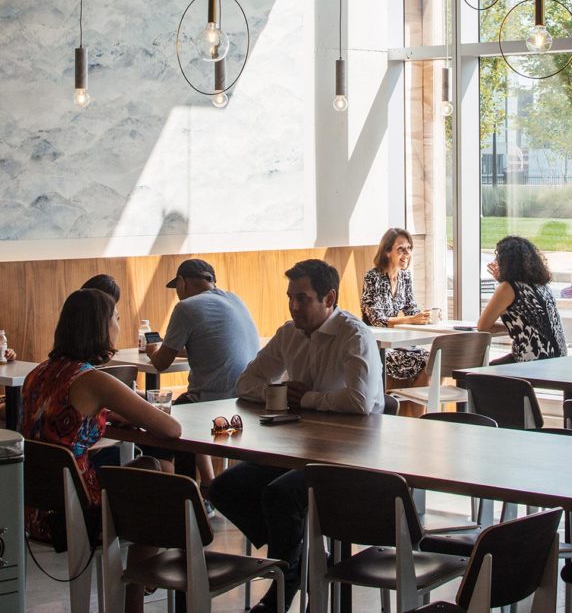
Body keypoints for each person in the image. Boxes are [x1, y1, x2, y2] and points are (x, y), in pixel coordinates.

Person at [208, 258, 383, 613]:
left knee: (280, 496)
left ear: (329, 298)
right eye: (290, 298)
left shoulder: (354, 334)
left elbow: (361, 402)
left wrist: (305, 399)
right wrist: (282, 389)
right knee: (223, 487)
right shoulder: (288, 334)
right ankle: (303, 558)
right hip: (298, 448)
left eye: (302, 298)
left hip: (351, 454)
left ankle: (279, 594)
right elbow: (245, 383)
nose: (294, 306)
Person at [20, 288, 181, 613]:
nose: (119, 325)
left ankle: (135, 592)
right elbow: (170, 429)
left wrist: (108, 414)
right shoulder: (92, 380)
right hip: (76, 513)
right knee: (152, 476)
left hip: (34, 510)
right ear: (100, 327)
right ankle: (135, 596)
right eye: (116, 318)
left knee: (144, 472)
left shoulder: (37, 374)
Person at [145, 258, 260, 402]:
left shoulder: (186, 307)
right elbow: (214, 348)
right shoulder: (236, 299)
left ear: (181, 282)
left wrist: (152, 351)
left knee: (154, 410)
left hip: (209, 402)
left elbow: (161, 363)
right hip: (245, 398)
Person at [477, 235, 567, 364]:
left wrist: (503, 282)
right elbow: (531, 321)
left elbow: (482, 326)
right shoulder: (542, 286)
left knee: (472, 374)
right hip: (557, 359)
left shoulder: (508, 288)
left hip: (532, 363)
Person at [361, 227, 430, 386]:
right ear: (387, 251)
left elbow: (412, 308)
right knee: (425, 361)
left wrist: (425, 317)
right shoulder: (373, 277)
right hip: (375, 345)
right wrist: (412, 319)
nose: (406, 254)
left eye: (409, 248)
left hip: (396, 343)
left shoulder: (405, 276)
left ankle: (419, 410)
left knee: (433, 361)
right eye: (401, 249)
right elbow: (377, 320)